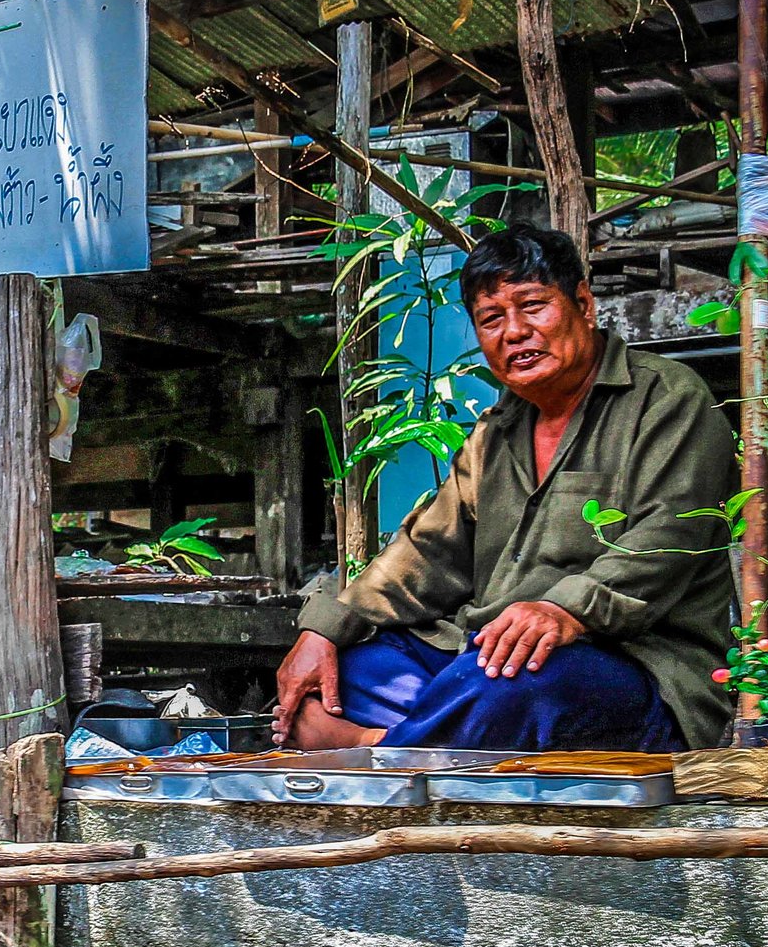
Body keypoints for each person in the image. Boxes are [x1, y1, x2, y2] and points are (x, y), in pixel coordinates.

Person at [274, 221, 737, 754]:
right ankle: (422, 747)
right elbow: (427, 551)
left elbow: (667, 538)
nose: (514, 332)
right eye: (491, 318)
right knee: (352, 672)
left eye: (533, 306)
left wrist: (565, 610)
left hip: (633, 666)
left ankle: (380, 752)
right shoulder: (494, 433)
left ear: (584, 306)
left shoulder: (668, 400)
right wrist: (324, 630)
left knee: (513, 687)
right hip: (485, 656)